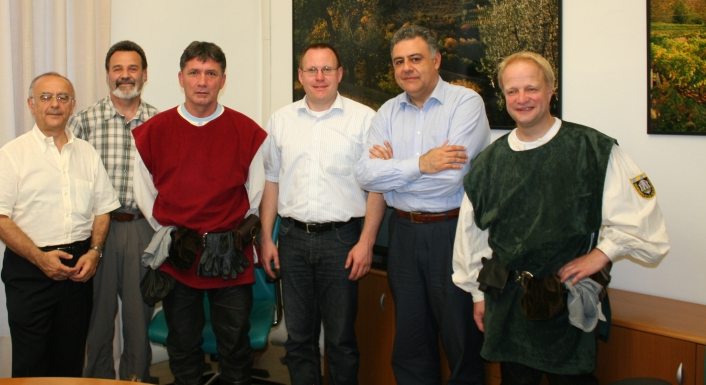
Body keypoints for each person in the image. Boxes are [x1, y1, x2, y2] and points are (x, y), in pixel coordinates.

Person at [452, 51, 670, 385]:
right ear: (504, 96)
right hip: (507, 304)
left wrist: (601, 254)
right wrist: (478, 295)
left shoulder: (591, 149)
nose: (522, 99)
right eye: (512, 91)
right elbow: (472, 236)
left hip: (565, 299)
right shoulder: (488, 164)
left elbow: (641, 213)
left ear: (552, 89)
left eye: (531, 88)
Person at [355, 25, 491, 385]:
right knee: (411, 344)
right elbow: (367, 175)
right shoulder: (386, 111)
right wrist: (422, 163)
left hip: (452, 233)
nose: (407, 68)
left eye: (415, 59)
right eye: (399, 61)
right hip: (403, 235)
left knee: (462, 343)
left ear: (436, 59)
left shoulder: (466, 104)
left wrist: (394, 166)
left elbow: (451, 178)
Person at [132, 41, 267, 385]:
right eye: (194, 73)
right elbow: (146, 195)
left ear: (223, 80)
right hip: (179, 255)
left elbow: (254, 194)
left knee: (235, 345)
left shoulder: (246, 131)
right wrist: (174, 234)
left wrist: (228, 232)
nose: (202, 81)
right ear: (181, 78)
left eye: (211, 73)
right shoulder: (154, 131)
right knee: (183, 344)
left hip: (230, 255)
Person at [260, 43, 386, 385]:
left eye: (327, 69)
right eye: (311, 70)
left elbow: (378, 187)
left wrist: (366, 242)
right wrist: (265, 238)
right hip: (292, 239)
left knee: (341, 341)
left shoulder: (365, 120)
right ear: (300, 76)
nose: (319, 77)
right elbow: (271, 182)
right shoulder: (280, 121)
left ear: (339, 74)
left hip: (342, 242)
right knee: (298, 340)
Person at [0, 72, 120, 378]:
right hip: (29, 271)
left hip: (79, 270)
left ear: (73, 106)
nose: (54, 104)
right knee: (31, 364)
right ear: (32, 105)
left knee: (70, 363)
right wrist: (39, 258)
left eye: (62, 98)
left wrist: (95, 251)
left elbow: (103, 209)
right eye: (46, 97)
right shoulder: (13, 154)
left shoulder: (87, 153)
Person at [69, 41, 159, 382]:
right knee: (98, 317)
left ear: (144, 75)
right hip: (98, 231)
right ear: (108, 74)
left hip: (141, 228)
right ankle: (98, 379)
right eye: (117, 69)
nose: (125, 75)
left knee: (139, 318)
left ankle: (136, 378)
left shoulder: (159, 121)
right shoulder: (84, 122)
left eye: (132, 68)